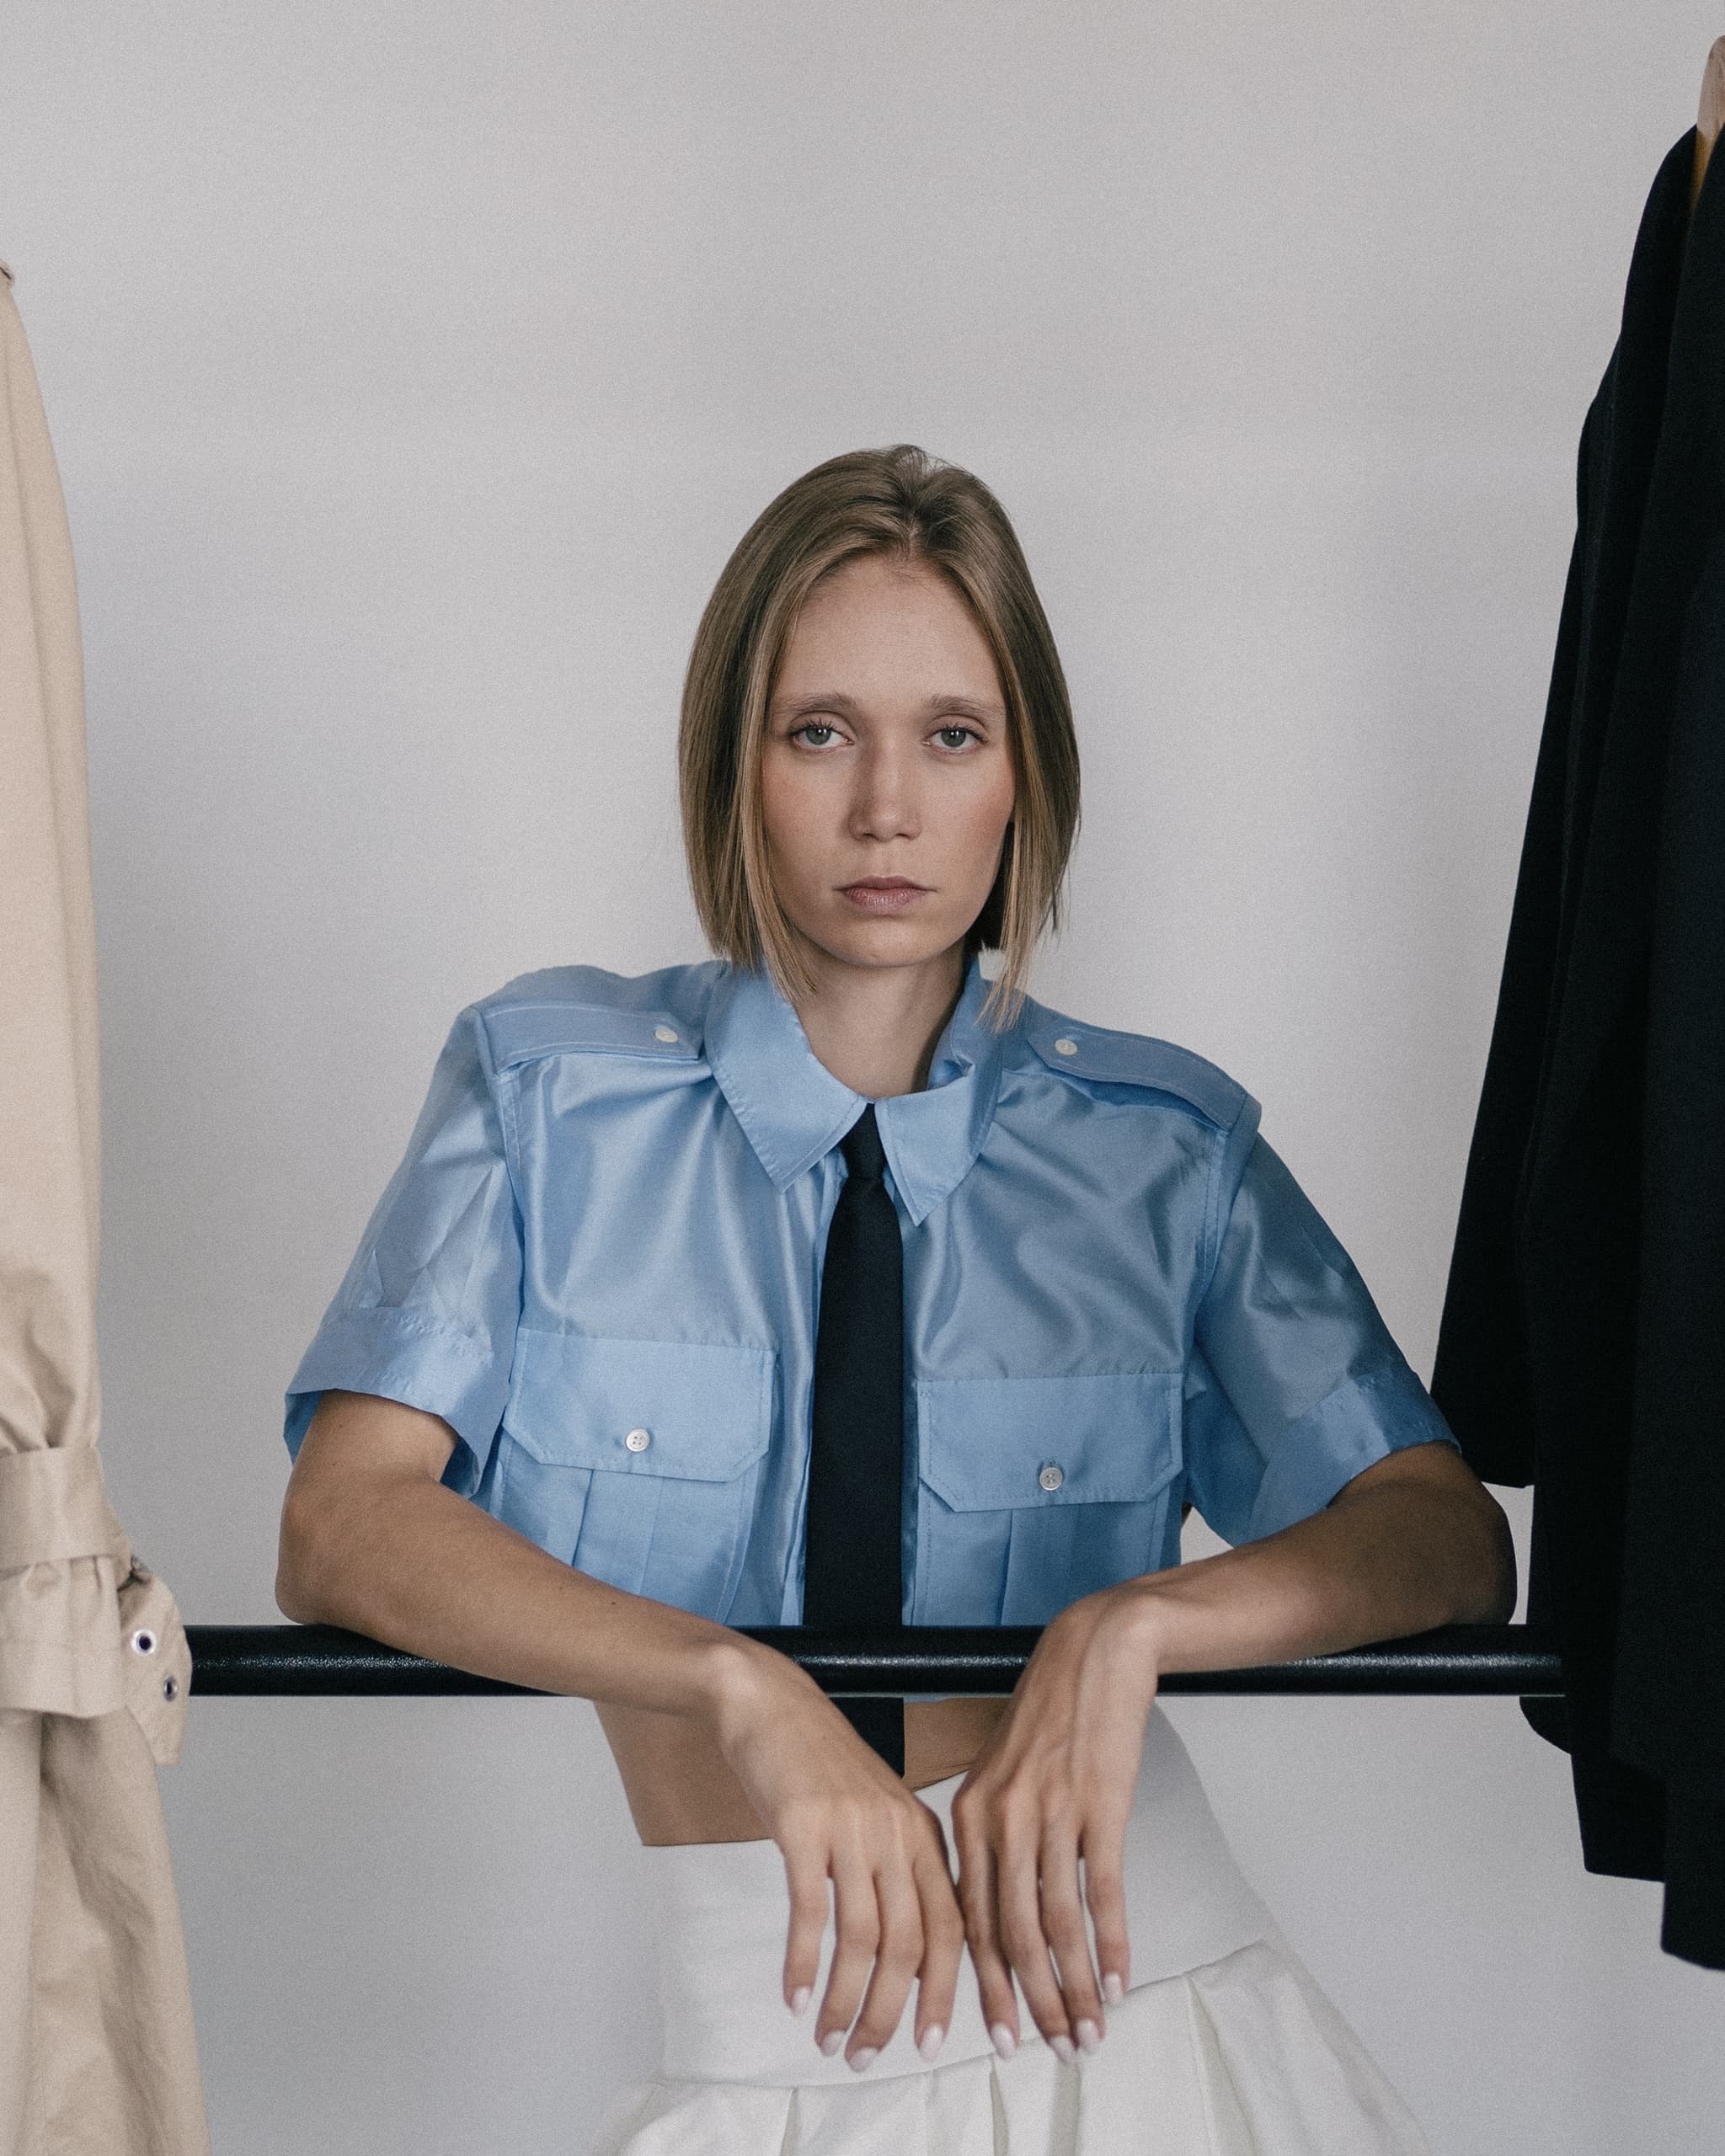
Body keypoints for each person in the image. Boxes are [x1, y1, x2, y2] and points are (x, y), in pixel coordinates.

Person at [275, 444, 1514, 2153]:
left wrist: (1131, 1626)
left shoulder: (1164, 1149)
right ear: (735, 761)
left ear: (1024, 779)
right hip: (764, 2020)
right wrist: (739, 1682)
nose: (885, 808)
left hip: (1141, 1995)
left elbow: (1442, 1535)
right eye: (817, 730)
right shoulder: (543, 1095)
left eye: (952, 734)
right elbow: (343, 1523)